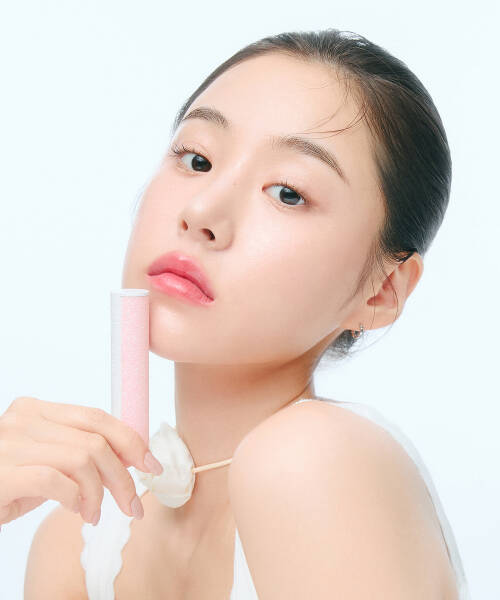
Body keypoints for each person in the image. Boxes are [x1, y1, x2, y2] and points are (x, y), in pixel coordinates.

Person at [1, 28, 470, 598]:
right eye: (197, 159)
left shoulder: (311, 459)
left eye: (288, 193)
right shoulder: (77, 538)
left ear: (382, 291)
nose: (202, 211)